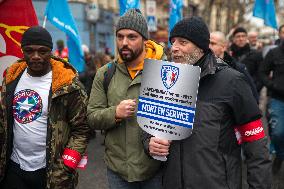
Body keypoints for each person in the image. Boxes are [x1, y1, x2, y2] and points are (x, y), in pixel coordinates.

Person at [143, 17, 271, 189]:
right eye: (173, 42)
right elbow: (148, 128)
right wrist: (150, 142)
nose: (174, 48)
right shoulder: (165, 79)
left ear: (201, 47)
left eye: (183, 42)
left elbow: (256, 144)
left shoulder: (232, 81)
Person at [0, 26, 89, 189]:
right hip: (14, 168)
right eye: (29, 51)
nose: (35, 57)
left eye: (42, 51)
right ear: (22, 50)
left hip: (52, 173)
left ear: (51, 51)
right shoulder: (11, 79)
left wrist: (67, 165)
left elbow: (82, 129)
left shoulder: (68, 86)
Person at [87, 9, 166, 189]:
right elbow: (92, 117)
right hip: (118, 172)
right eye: (120, 36)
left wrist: (164, 140)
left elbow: (178, 118)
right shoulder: (105, 73)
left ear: (145, 40)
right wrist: (115, 113)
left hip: (155, 170)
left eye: (131, 37)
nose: (124, 43)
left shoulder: (166, 71)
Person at [259, 32, 284, 175]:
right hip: (277, 100)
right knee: (278, 133)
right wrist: (272, 85)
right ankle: (280, 156)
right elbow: (262, 72)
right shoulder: (274, 53)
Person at [209, 31, 259, 102]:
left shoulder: (237, 69)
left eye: (212, 43)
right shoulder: (199, 67)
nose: (208, 46)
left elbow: (253, 98)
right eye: (206, 43)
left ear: (223, 47)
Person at [229, 27, 263, 92]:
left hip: (250, 92)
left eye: (243, 36)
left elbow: (260, 75)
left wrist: (254, 90)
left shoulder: (256, 54)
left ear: (247, 38)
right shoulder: (228, 55)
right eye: (238, 36)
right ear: (233, 39)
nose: (241, 39)